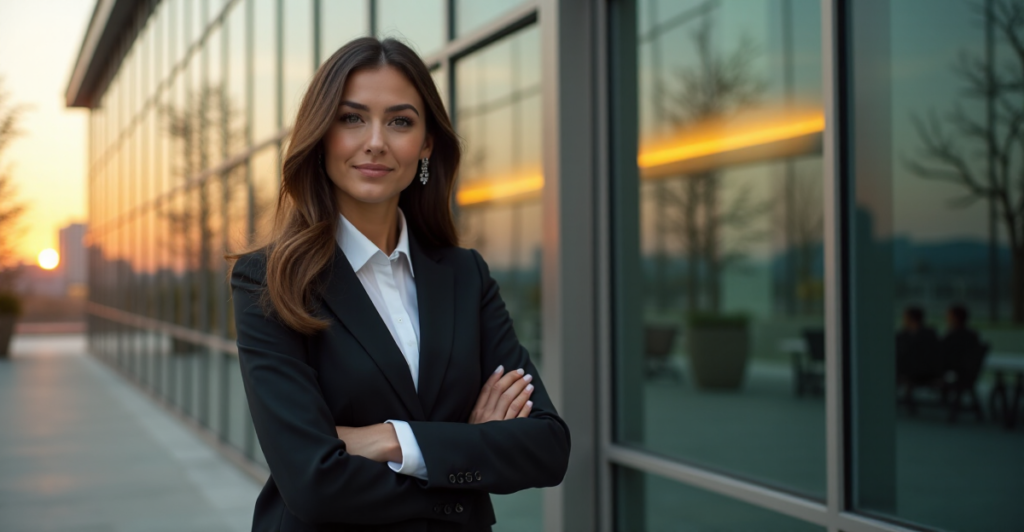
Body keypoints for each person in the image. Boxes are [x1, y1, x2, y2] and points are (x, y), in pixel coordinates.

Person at [229, 37, 570, 532]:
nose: (375, 141)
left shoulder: (464, 275)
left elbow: (546, 447)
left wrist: (392, 440)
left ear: (426, 143)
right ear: (321, 134)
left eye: (400, 121)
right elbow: (312, 482)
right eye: (352, 119)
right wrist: (460, 459)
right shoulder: (270, 280)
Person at [895, 306, 940, 386]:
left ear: (910, 319)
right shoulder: (930, 334)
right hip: (923, 372)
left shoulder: (902, 337)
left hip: (921, 373)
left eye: (905, 318)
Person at [939, 304, 982, 380]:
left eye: (949, 315)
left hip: (956, 373)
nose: (947, 318)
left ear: (955, 318)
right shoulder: (971, 335)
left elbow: (943, 353)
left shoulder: (954, 336)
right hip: (965, 373)